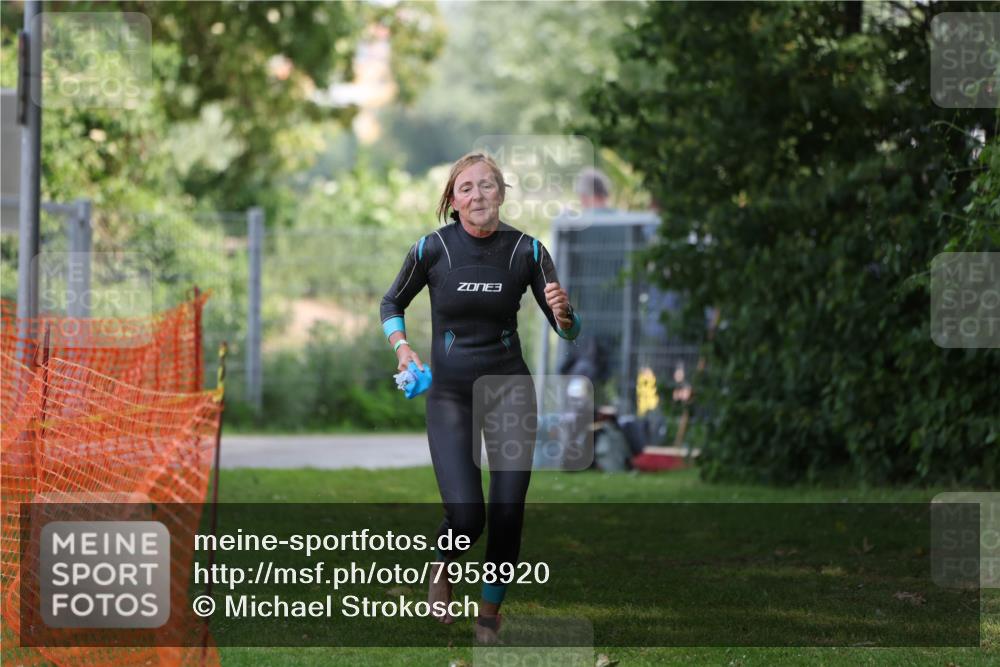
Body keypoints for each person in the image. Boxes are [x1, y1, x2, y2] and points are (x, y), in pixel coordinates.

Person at [379, 151, 581, 642]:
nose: (478, 195)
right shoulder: (432, 249)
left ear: (502, 193)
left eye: (487, 185)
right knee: (468, 515)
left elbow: (568, 332)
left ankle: (489, 615)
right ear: (453, 200)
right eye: (466, 188)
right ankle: (443, 565)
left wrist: (567, 315)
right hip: (450, 395)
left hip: (511, 389)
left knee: (510, 508)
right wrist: (402, 347)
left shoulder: (527, 251)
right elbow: (391, 302)